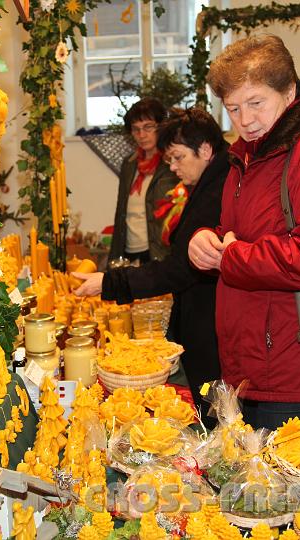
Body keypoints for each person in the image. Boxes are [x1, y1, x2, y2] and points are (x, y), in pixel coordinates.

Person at [187, 35, 300, 430]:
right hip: (252, 365)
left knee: (283, 491)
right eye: (233, 109)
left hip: (297, 367)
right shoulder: (249, 155)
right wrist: (208, 240)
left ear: (289, 92)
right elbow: (242, 233)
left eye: (256, 103)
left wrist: (231, 256)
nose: (245, 120)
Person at [74, 108, 229, 425]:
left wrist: (109, 283)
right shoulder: (209, 182)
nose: (172, 167)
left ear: (206, 150)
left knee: (215, 414)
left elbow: (179, 269)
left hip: (211, 319)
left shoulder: (217, 193)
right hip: (201, 314)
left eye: (177, 158)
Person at [108, 98, 179, 264]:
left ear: (161, 126)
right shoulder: (129, 164)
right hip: (128, 252)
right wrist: (114, 257)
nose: (141, 135)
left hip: (158, 253)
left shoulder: (172, 164)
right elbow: (121, 213)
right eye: (136, 129)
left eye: (148, 127)